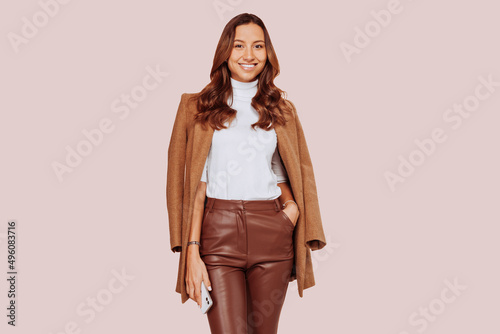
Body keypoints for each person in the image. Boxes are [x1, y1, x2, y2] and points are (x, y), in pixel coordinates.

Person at [166, 13, 327, 334]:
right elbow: (192, 185)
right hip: (216, 236)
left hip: (272, 234)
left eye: (258, 46)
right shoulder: (196, 107)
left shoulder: (281, 109)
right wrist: (192, 252)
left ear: (268, 53)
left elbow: (290, 171)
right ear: (225, 51)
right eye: (239, 45)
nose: (248, 55)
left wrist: (291, 213)